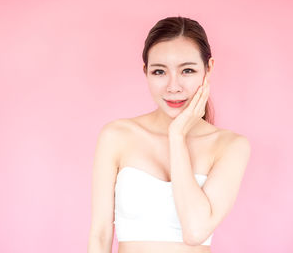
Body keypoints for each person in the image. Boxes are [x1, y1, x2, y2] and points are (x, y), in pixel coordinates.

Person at [87, 16, 251, 253]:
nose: (173, 86)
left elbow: (196, 231)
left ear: (209, 68)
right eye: (159, 72)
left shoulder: (230, 146)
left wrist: (177, 136)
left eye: (187, 70)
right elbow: (100, 235)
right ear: (146, 72)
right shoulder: (117, 136)